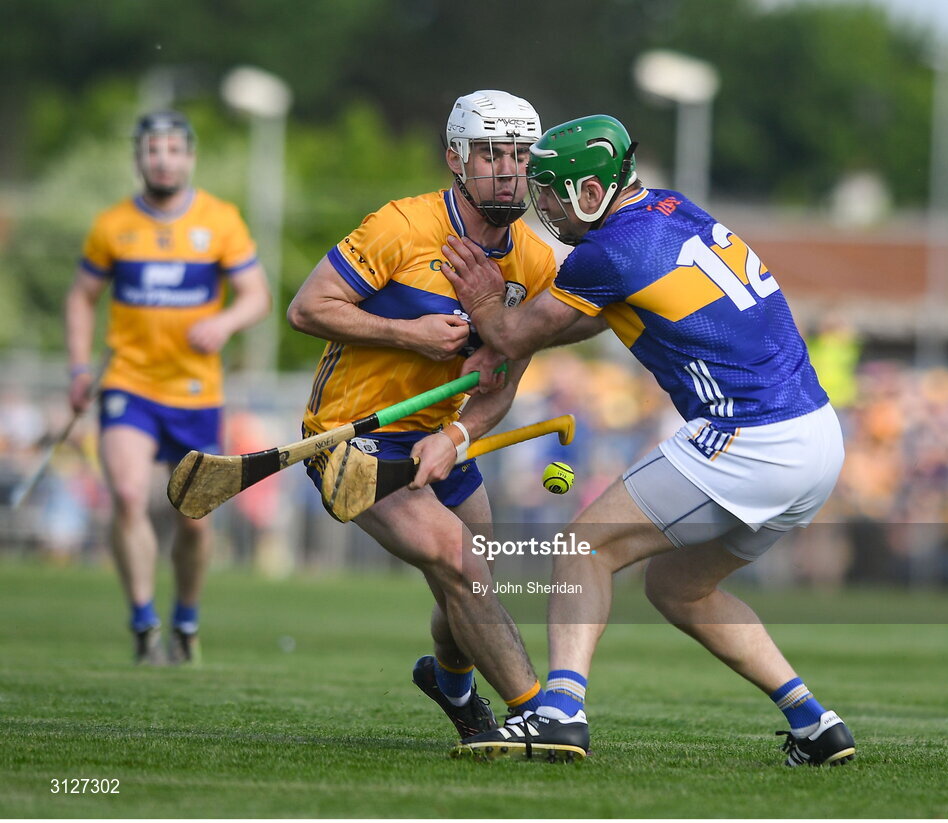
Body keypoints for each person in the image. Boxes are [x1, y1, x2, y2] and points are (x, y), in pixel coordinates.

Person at [442, 114, 857, 766]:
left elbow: (516, 335)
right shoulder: (671, 209)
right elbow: (605, 310)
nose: (541, 203)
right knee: (678, 589)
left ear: (589, 191)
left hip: (749, 436)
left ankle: (562, 711)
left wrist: (487, 303)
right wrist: (522, 323)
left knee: (584, 546)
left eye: (552, 189)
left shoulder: (608, 252)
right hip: (818, 436)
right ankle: (814, 722)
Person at [286, 90, 563, 743]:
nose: (508, 169)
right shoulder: (399, 228)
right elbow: (306, 308)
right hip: (353, 437)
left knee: (468, 585)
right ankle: (537, 714)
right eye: (491, 153)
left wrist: (458, 433)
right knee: (463, 565)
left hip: (439, 439)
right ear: (455, 159)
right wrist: (407, 334)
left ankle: (451, 682)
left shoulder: (537, 261)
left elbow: (501, 382)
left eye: (521, 155)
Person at [65, 110, 271, 665]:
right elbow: (81, 297)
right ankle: (142, 623)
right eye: (152, 150)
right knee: (129, 495)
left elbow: (257, 296)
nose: (163, 159)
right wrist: (79, 369)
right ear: (139, 158)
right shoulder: (112, 225)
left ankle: (185, 617)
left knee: (192, 517)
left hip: (196, 393)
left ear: (190, 157)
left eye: (173, 149)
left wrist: (225, 323)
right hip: (128, 383)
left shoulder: (220, 220)